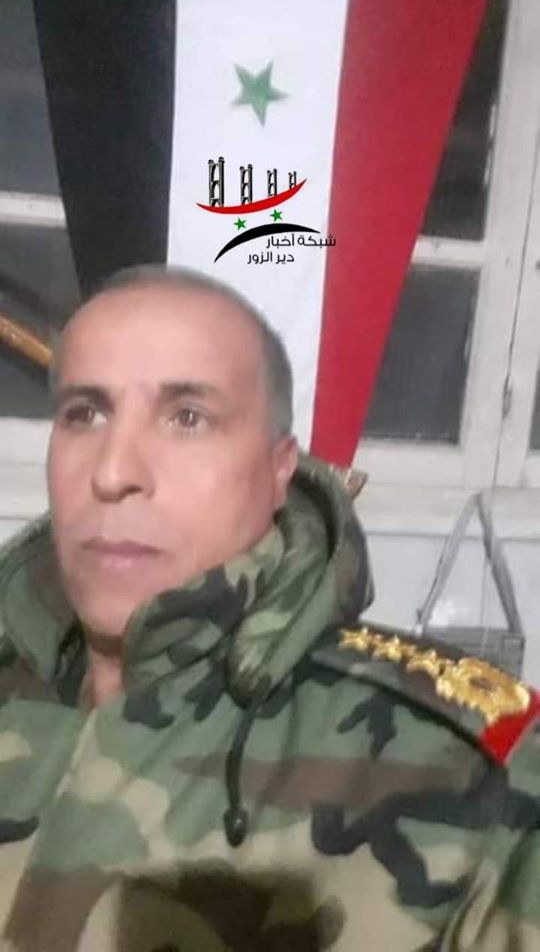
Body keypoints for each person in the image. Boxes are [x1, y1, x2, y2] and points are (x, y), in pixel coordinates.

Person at [0, 265, 538, 952]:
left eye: (187, 417)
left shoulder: (473, 773)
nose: (112, 472)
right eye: (85, 413)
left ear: (280, 469)